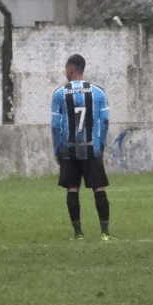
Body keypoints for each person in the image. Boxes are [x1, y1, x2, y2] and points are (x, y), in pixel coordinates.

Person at [51, 53, 114, 240]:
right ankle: (105, 234)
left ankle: (78, 234)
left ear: (70, 70)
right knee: (99, 188)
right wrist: (100, 145)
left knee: (72, 188)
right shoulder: (98, 92)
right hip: (91, 147)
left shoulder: (59, 93)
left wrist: (57, 149)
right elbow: (105, 121)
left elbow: (56, 125)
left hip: (69, 149)